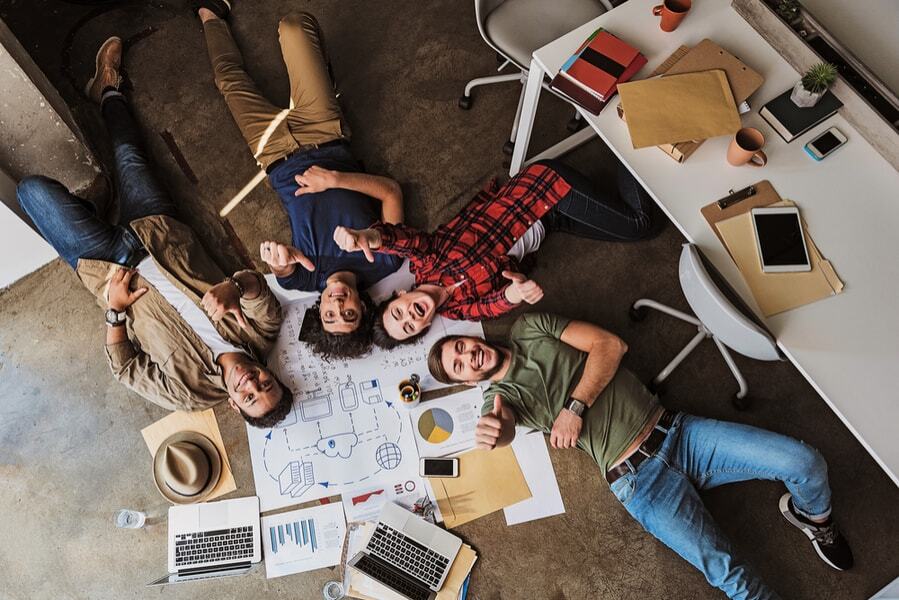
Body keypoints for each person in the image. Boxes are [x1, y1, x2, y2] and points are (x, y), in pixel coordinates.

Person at [426, 312, 854, 600]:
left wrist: (574, 409)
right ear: (467, 382)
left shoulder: (528, 327)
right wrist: (496, 430)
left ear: (469, 338)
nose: (467, 357)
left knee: (805, 462)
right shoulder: (498, 398)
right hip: (640, 484)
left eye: (461, 347)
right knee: (730, 576)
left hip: (681, 433)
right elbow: (499, 429)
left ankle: (813, 519)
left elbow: (610, 346)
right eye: (459, 366)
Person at [16, 36, 291, 428]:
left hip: (109, 267)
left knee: (32, 192)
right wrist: (235, 285)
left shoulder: (190, 394)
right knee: (129, 151)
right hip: (160, 230)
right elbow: (257, 290)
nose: (252, 383)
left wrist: (114, 310)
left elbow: (126, 370)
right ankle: (108, 87)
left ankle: (93, 209)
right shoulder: (262, 332)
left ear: (234, 405)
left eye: (249, 397)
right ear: (272, 374)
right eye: (266, 384)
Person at [196, 1, 403, 359]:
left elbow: (282, 267)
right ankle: (324, 77)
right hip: (324, 132)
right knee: (293, 26)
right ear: (366, 309)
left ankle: (209, 15)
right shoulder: (385, 262)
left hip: (273, 153)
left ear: (318, 310)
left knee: (227, 80)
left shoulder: (303, 280)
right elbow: (391, 191)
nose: (338, 304)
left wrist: (280, 258)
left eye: (329, 315)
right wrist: (335, 179)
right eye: (349, 314)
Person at [333, 159, 660, 348]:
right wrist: (516, 292)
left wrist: (369, 237)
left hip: (540, 194)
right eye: (409, 326)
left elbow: (404, 240)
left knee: (639, 225)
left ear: (401, 294)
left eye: (399, 312)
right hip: (552, 222)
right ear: (424, 328)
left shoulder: (428, 263)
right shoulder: (460, 311)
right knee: (627, 227)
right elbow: (493, 305)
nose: (410, 316)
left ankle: (627, 132)